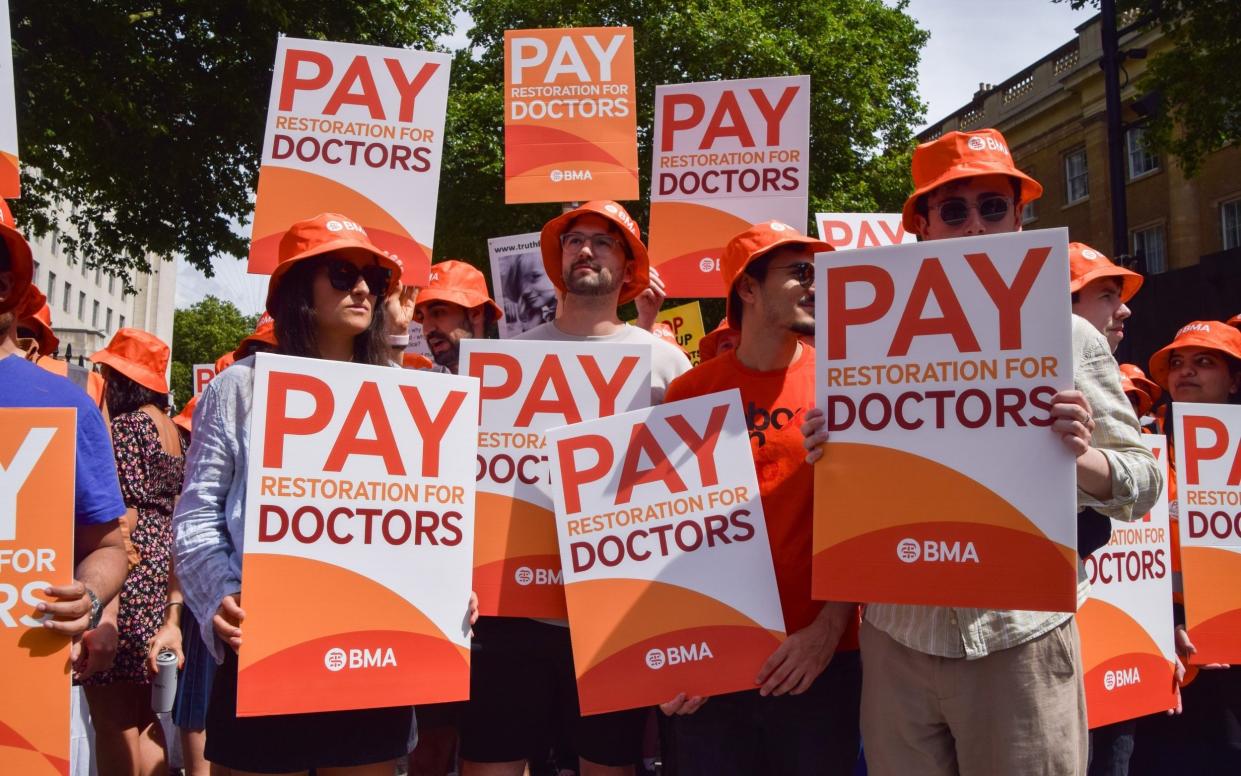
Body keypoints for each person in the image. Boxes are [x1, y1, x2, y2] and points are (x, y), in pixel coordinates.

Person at [804, 128, 1161, 776]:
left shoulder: (1069, 333)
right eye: (953, 210)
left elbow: (1141, 484)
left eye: (992, 206)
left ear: (1019, 218)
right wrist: (830, 450)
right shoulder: (862, 334)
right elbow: (856, 484)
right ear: (922, 227)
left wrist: (1075, 456)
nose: (974, 226)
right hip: (896, 637)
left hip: (1016, 639)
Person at [173, 212, 429, 775]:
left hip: (373, 651)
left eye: (374, 279)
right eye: (342, 274)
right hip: (266, 644)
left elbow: (426, 517)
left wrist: (443, 585)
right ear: (297, 288)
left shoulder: (407, 395)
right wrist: (219, 596)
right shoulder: (238, 388)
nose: (364, 288)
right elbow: (196, 517)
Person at [459, 201, 690, 776]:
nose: (585, 251)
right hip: (509, 612)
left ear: (630, 261)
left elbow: (691, 489)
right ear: (557, 259)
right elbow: (462, 481)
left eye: (603, 241)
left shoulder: (666, 363)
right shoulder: (504, 360)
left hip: (617, 615)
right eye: (574, 241)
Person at [660, 220, 861, 775]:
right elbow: (662, 530)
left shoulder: (849, 381)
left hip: (822, 662)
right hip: (716, 666)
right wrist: (671, 652)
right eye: (799, 273)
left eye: (819, 273)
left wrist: (827, 631)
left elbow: (869, 521)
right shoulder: (689, 392)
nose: (815, 284)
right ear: (746, 289)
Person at [0, 199, 129, 710]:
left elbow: (109, 545)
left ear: (7, 285)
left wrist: (90, 597)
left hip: (17, 700)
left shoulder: (62, 404)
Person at [1131, 321, 1241, 775]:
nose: (1185, 372)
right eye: (1176, 363)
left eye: (1204, 362)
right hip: (1168, 652)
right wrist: (1167, 622)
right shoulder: (1142, 448)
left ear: (1234, 379)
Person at [78, 327, 185, 776]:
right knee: (144, 717)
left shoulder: (126, 427)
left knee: (112, 719)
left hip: (129, 568)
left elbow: (120, 512)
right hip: (162, 570)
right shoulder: (170, 430)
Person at [414, 259, 503, 374]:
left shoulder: (526, 378)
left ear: (475, 313)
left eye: (438, 312)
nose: (426, 330)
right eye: (421, 317)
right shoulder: (425, 387)